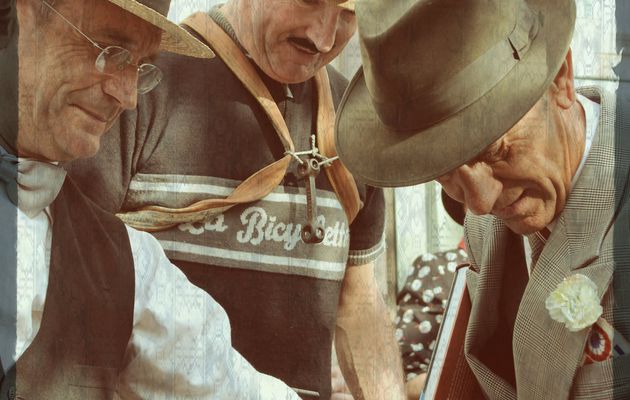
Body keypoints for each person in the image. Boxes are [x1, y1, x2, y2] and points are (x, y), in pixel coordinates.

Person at [67, 0, 404, 399]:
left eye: (349, 14)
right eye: (310, 1)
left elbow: (359, 302)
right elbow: (72, 293)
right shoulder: (139, 84)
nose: (324, 37)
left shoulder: (356, 125)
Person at [0, 0, 303, 398]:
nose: (127, 97)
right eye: (109, 49)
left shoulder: (125, 263)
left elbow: (229, 384)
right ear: (14, 16)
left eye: (141, 66)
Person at [336, 0, 630, 398]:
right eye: (444, 174)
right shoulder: (487, 219)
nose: (479, 203)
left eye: (496, 152)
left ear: (560, 79)